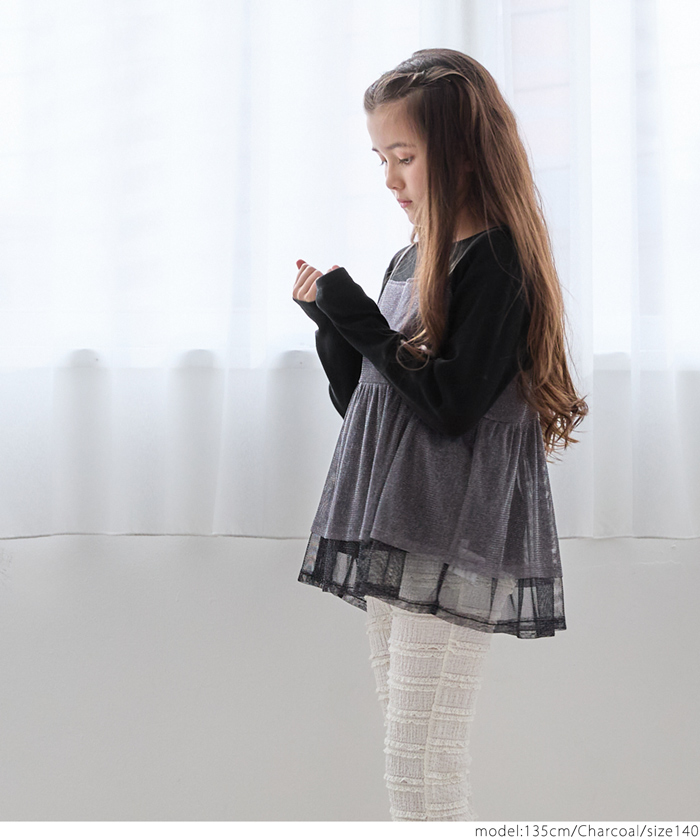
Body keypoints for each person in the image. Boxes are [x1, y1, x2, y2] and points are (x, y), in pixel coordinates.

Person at [291, 48, 588, 822]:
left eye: (405, 156)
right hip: (399, 517)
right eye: (381, 159)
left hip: (450, 526)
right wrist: (330, 325)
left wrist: (356, 316)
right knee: (407, 751)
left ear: (460, 154)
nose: (390, 178)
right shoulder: (412, 256)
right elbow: (371, 407)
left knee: (423, 758)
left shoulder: (497, 260)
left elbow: (451, 406)